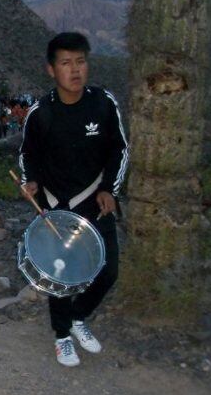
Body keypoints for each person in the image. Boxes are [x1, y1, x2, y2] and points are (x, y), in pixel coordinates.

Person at [19, 32, 129, 367]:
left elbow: (119, 149)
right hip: (56, 206)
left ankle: (80, 317)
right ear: (51, 69)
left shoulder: (103, 103)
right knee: (61, 275)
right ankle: (62, 335)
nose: (75, 69)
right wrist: (31, 182)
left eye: (80, 61)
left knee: (108, 271)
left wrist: (110, 188)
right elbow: (27, 155)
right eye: (66, 63)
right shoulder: (41, 113)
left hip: (96, 201)